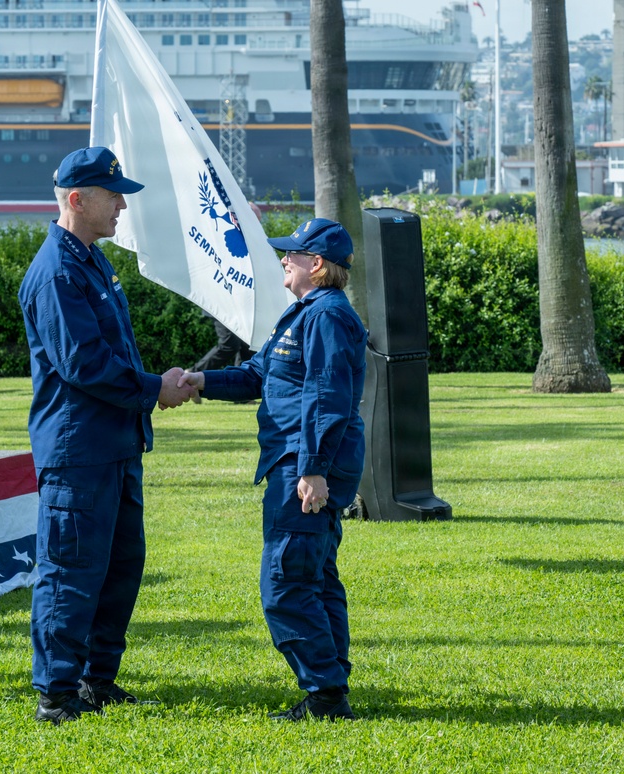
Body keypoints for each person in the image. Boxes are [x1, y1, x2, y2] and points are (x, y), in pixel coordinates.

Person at [19, 146, 196, 725]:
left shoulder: (90, 261)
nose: (122, 204)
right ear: (77, 199)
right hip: (79, 451)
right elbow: (85, 364)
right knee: (71, 570)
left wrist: (148, 393)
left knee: (120, 567)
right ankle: (56, 692)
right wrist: (154, 389)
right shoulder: (56, 272)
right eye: (113, 194)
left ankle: (97, 680)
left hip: (113, 445)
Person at [179, 218, 366, 722]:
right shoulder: (306, 313)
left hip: (303, 466)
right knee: (315, 576)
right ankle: (332, 686)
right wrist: (201, 379)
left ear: (318, 264)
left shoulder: (326, 316)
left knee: (285, 581)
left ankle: (325, 693)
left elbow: (328, 397)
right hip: (301, 462)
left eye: (293, 253)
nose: (284, 259)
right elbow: (259, 373)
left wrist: (314, 469)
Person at [190, 202, 261, 373]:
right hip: (221, 300)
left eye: (258, 220)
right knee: (229, 344)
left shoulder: (250, 241)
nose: (257, 224)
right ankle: (191, 376)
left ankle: (241, 391)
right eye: (254, 220)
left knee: (247, 346)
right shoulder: (222, 237)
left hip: (241, 303)